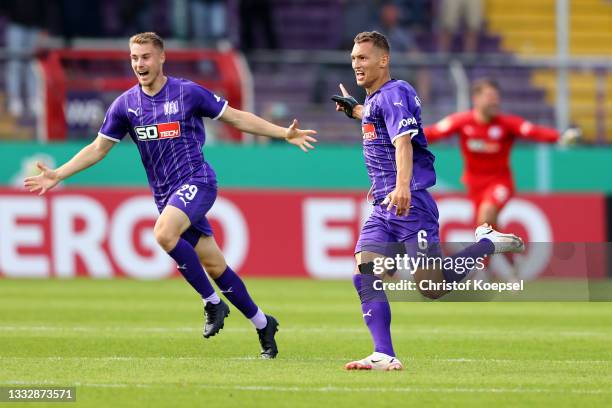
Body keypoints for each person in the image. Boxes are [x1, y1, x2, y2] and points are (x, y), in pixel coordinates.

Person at [24, 32, 317, 359]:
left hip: (198, 180)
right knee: (213, 262)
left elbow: (235, 116)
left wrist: (282, 133)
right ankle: (264, 324)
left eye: (146, 57)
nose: (139, 64)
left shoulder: (187, 93)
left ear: (161, 58)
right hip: (167, 196)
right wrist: (58, 174)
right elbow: (98, 148)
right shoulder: (125, 105)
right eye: (134, 58)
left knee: (163, 233)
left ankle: (212, 303)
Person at [331, 31, 524, 371]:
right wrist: (356, 111)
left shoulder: (396, 92)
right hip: (382, 205)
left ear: (383, 60)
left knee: (431, 286)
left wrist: (402, 186)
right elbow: (379, 123)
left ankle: (486, 245)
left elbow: (403, 142)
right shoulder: (378, 100)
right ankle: (384, 354)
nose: (356, 65)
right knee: (366, 272)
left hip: (410, 202)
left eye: (363, 58)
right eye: (353, 59)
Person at [423, 78, 580, 229]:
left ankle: (493, 253)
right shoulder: (463, 122)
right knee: (486, 228)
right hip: (474, 185)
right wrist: (407, 136)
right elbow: (435, 132)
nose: (495, 101)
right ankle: (510, 252)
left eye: (497, 97)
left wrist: (559, 137)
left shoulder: (506, 123)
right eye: (490, 97)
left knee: (486, 215)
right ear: (476, 99)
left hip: (500, 182)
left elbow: (533, 131)